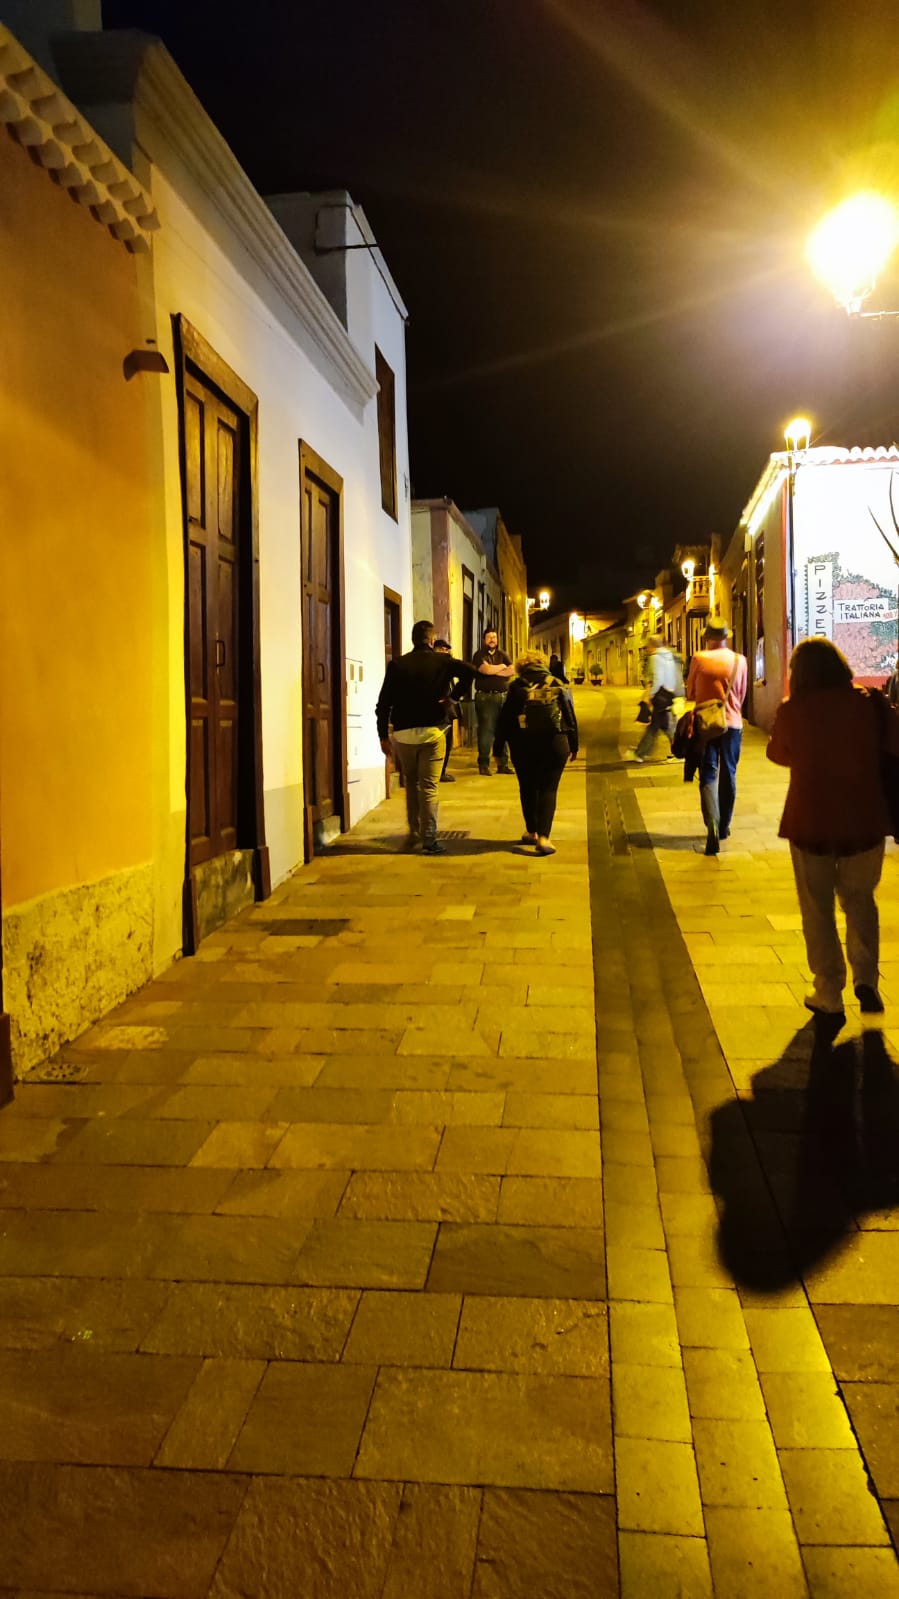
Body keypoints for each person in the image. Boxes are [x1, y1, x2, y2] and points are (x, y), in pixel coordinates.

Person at [767, 636, 899, 1023]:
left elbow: (778, 753)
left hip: (811, 820)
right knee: (861, 899)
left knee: (817, 908)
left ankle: (828, 990)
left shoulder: (793, 709)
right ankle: (867, 979)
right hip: (864, 818)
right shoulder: (872, 703)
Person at [376, 621, 475, 854]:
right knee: (429, 786)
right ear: (432, 640)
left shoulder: (398, 664)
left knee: (411, 784)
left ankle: (413, 833)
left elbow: (383, 703)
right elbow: (470, 672)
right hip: (433, 732)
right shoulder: (443, 661)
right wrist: (452, 698)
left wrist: (383, 736)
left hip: (403, 735)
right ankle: (429, 840)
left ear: (413, 640)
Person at [494, 650, 578, 855]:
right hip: (556, 742)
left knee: (527, 786)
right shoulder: (557, 683)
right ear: (543, 664)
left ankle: (531, 831)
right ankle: (544, 838)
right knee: (549, 789)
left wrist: (498, 749)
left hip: (522, 743)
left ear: (521, 667)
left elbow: (504, 720)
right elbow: (569, 714)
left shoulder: (516, 686)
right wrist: (574, 744)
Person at [686, 620, 748, 856]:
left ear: (707, 637)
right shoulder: (740, 661)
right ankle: (723, 828)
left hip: (706, 724)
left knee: (708, 772)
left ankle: (712, 823)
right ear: (726, 637)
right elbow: (741, 694)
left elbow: (690, 692)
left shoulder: (699, 658)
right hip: (732, 724)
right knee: (729, 772)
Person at [628, 636, 683, 763]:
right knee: (663, 725)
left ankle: (640, 754)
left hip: (660, 694)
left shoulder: (655, 658)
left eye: (647, 646)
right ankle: (679, 752)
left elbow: (658, 678)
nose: (647, 649)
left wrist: (651, 694)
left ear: (652, 645)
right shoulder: (669, 656)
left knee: (656, 727)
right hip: (669, 693)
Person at [472, 627, 514, 775]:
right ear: (484, 639)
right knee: (486, 731)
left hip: (503, 696)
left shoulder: (503, 654)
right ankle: (484, 764)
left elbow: (512, 670)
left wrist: (494, 670)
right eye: (489, 637)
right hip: (486, 698)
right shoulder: (479, 655)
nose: (492, 640)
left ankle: (503, 764)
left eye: (494, 637)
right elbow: (485, 670)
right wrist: (501, 667)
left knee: (503, 731)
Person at [433, 638, 462, 782]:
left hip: (448, 709)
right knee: (438, 743)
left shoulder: (448, 667)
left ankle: (442, 771)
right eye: (441, 649)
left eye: (446, 650)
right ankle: (437, 772)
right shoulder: (433, 667)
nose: (444, 652)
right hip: (436, 710)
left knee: (448, 742)